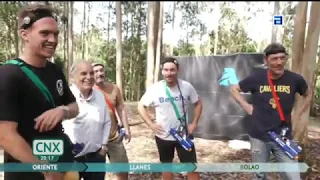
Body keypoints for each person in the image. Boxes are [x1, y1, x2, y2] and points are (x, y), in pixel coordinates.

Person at [0, 4, 79, 180]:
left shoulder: (55, 71)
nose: (53, 39)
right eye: (45, 33)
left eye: (56, 34)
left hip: (62, 163)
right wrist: (46, 171)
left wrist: (62, 110)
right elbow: (4, 135)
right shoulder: (8, 74)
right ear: (24, 34)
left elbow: (74, 107)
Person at [231, 43, 311, 180]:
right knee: (259, 175)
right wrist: (247, 106)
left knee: (293, 177)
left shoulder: (295, 79)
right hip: (259, 136)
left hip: (283, 137)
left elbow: (308, 93)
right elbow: (234, 89)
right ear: (266, 60)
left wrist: (298, 114)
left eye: (282, 58)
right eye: (274, 59)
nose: (279, 62)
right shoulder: (256, 78)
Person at [137, 57, 203, 180]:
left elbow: (198, 103)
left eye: (172, 70)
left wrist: (194, 123)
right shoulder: (155, 89)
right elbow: (141, 106)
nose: (169, 73)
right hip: (163, 136)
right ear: (162, 71)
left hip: (184, 135)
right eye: (166, 70)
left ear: (178, 70)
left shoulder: (186, 86)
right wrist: (150, 124)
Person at [62, 61, 112, 180]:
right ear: (72, 76)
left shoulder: (99, 96)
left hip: (96, 157)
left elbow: (107, 121)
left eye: (91, 73)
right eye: (83, 73)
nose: (89, 77)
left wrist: (104, 147)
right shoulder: (64, 96)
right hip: (71, 160)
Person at [92, 63, 131, 180]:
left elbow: (121, 108)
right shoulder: (87, 90)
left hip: (114, 137)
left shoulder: (114, 88)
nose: (99, 74)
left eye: (101, 70)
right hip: (95, 141)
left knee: (122, 170)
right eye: (96, 71)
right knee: (96, 174)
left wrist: (126, 128)